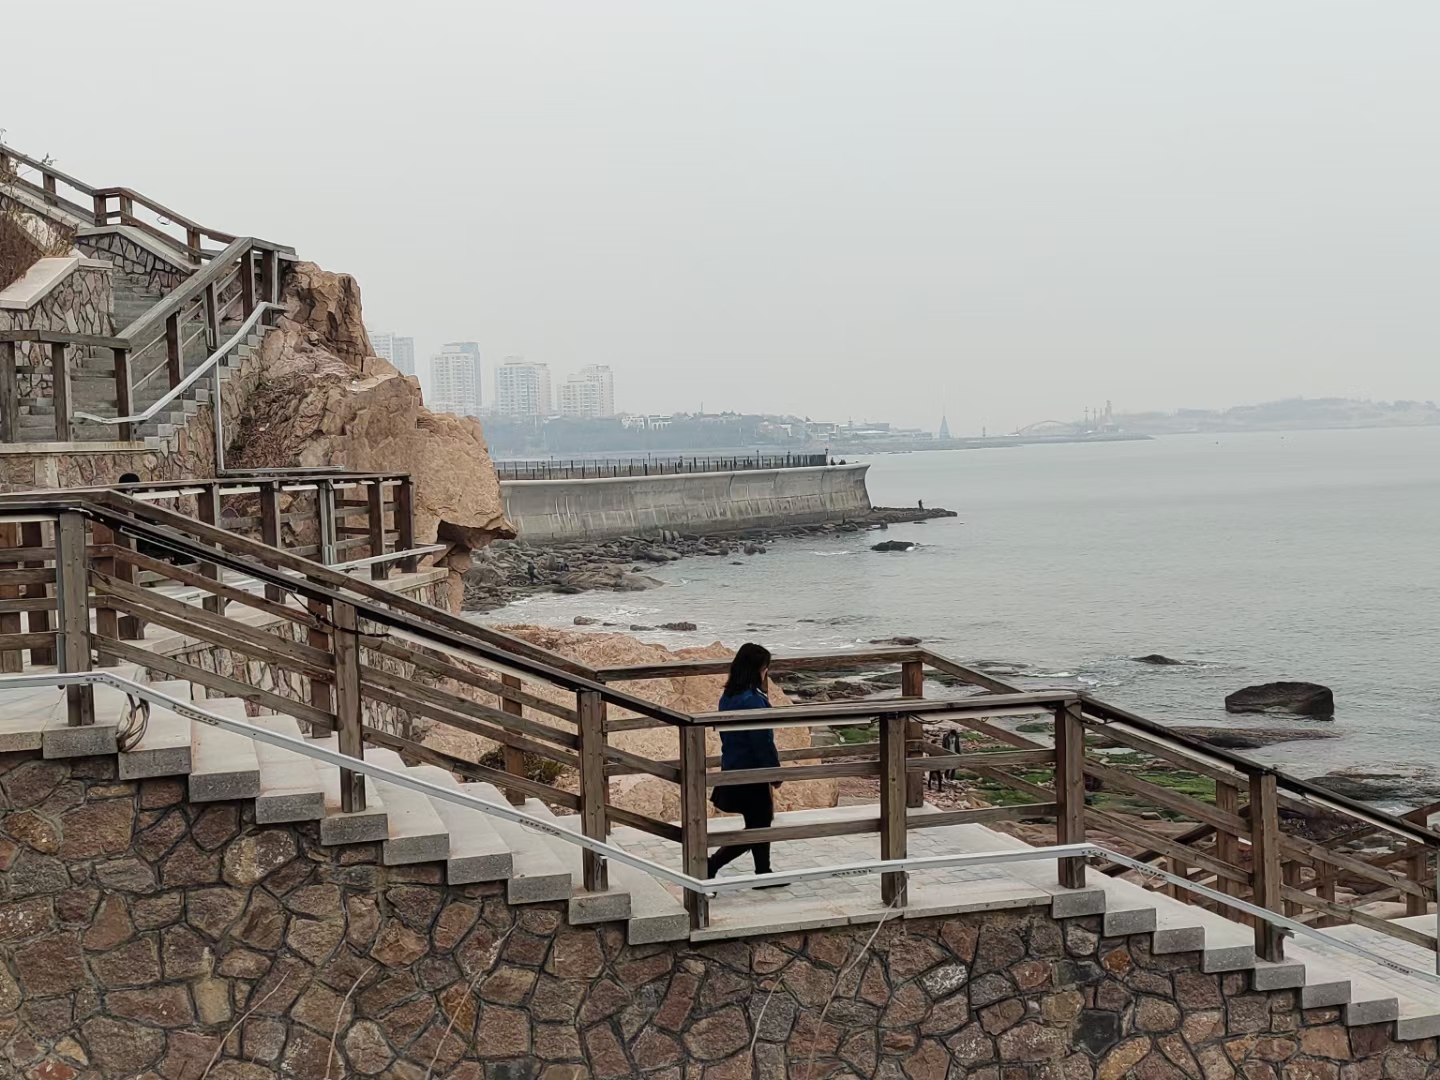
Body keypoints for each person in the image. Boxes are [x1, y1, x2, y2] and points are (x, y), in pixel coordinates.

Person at [707, 642, 787, 887]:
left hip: (733, 765)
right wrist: (774, 771)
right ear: (758, 670)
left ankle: (763, 872)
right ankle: (712, 864)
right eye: (765, 669)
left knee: (758, 823)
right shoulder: (752, 701)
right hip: (751, 770)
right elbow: (761, 741)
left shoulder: (729, 696)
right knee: (759, 826)